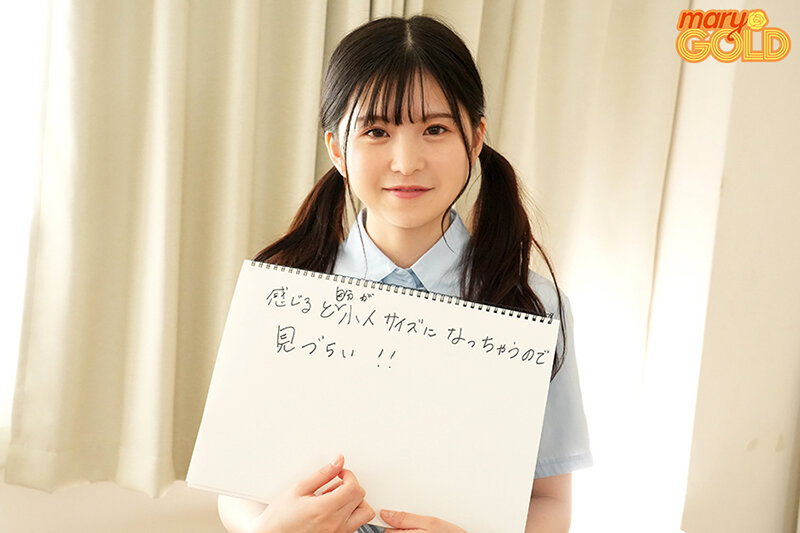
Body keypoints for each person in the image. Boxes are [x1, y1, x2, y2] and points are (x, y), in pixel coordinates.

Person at [217, 14, 592, 533]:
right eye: (376, 131)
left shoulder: (532, 307)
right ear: (337, 149)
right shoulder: (282, 290)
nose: (406, 161)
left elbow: (549, 502)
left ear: (475, 138)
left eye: (435, 129)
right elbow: (236, 486)